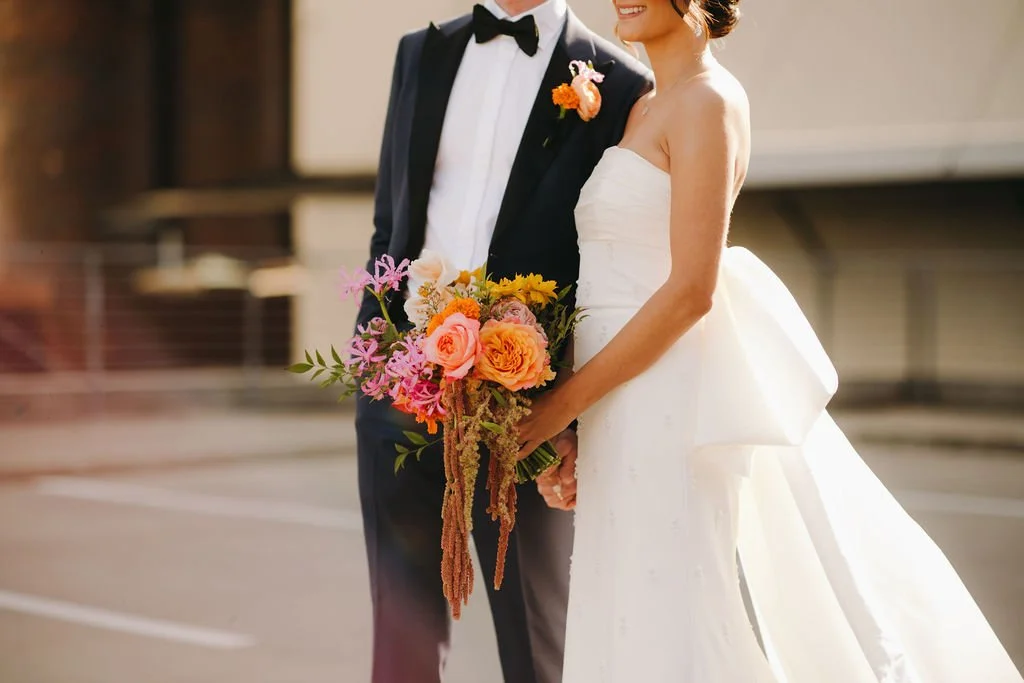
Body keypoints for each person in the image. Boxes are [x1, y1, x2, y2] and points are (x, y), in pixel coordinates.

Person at [518, 0, 1024, 680]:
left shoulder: (709, 101)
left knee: (672, 604)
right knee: (623, 603)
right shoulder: (641, 104)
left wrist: (561, 402)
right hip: (615, 404)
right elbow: (610, 283)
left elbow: (689, 290)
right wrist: (571, 422)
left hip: (666, 398)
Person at [353, 1, 651, 681]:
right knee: (400, 653)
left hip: (526, 412)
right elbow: (388, 226)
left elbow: (606, 260)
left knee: (538, 647)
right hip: (400, 397)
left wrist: (565, 412)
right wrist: (375, 370)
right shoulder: (418, 54)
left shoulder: (619, 82)